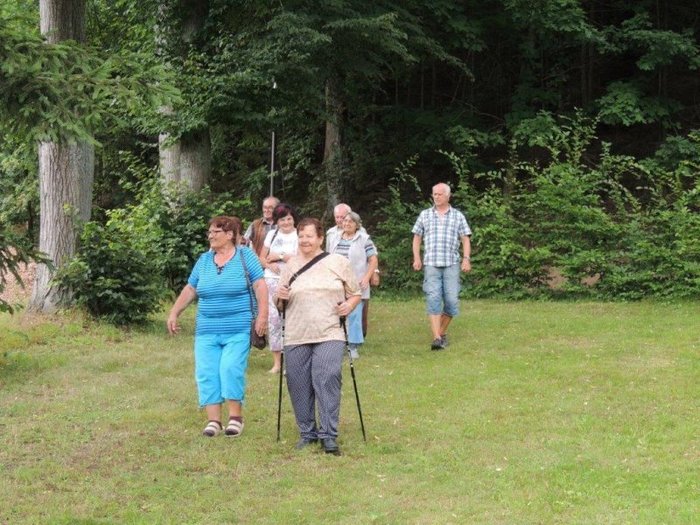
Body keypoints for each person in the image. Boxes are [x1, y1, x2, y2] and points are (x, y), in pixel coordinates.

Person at [167, 216, 268, 437]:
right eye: (210, 232)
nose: (210, 236)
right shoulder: (204, 260)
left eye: (216, 232)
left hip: (238, 327)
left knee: (230, 368)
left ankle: (235, 418)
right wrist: (174, 312)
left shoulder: (245, 256)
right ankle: (214, 421)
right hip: (206, 329)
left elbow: (260, 285)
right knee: (207, 372)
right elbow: (191, 289)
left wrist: (262, 316)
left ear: (230, 235)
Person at [275, 218, 361, 455]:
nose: (304, 240)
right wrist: (280, 296)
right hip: (296, 333)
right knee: (298, 383)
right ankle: (307, 432)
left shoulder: (338, 262)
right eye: (301, 236)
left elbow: (355, 293)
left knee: (327, 377)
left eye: (309, 236)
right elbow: (280, 303)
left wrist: (349, 305)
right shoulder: (291, 265)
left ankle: (328, 435)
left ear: (320, 238)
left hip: (330, 331)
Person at [412, 182, 472, 351]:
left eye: (440, 194)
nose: (436, 197)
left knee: (452, 301)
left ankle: (441, 332)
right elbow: (417, 238)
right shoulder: (425, 215)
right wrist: (417, 258)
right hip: (431, 263)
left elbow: (465, 239)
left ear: (448, 196)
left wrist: (466, 259)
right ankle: (437, 338)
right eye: (434, 194)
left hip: (451, 263)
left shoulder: (458, 216)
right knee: (433, 298)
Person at [330, 211, 378, 359]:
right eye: (345, 221)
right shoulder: (335, 238)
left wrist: (367, 277)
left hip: (356, 282)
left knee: (354, 314)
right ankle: (338, 344)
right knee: (336, 312)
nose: (346, 224)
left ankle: (353, 346)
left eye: (350, 222)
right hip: (336, 281)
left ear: (357, 225)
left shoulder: (364, 239)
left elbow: (373, 259)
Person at [259, 203, 299, 374]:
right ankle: (277, 362)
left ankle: (292, 361)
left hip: (292, 281)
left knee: (290, 320)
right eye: (282, 220)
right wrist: (269, 264)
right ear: (277, 221)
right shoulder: (272, 234)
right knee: (274, 320)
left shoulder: (299, 235)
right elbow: (262, 257)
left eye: (289, 219)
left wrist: (279, 255)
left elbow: (299, 259)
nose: (286, 223)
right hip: (271, 280)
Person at [325, 202, 373, 337]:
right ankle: (338, 337)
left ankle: (355, 340)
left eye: (344, 218)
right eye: (338, 217)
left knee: (357, 310)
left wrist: (372, 274)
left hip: (356, 278)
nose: (342, 221)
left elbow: (371, 257)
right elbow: (328, 255)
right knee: (336, 308)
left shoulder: (362, 235)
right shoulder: (332, 234)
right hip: (337, 278)